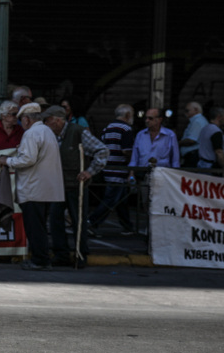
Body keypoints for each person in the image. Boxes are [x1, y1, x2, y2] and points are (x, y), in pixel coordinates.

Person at [0, 102, 63, 271]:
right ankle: (41, 258)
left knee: (35, 228)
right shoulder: (47, 131)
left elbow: (28, 160)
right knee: (40, 226)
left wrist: (7, 161)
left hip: (34, 189)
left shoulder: (31, 134)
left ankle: (40, 260)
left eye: (21, 119)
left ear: (26, 119)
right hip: (48, 189)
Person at [43, 106, 108, 266]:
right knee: (55, 219)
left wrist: (89, 172)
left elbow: (102, 150)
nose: (45, 124)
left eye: (47, 120)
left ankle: (81, 254)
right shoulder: (51, 135)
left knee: (78, 221)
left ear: (57, 120)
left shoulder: (78, 131)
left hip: (76, 185)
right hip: (58, 185)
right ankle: (61, 254)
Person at [87, 104, 137, 236]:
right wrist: (134, 160)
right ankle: (92, 222)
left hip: (108, 167)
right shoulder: (126, 129)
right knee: (111, 199)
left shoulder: (107, 128)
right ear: (127, 115)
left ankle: (127, 225)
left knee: (121, 198)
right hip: (119, 168)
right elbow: (126, 151)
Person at [127, 106, 180, 177]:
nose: (147, 120)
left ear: (159, 119)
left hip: (163, 175)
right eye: (146, 118)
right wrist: (131, 174)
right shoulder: (140, 135)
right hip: (142, 174)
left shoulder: (170, 135)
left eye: (150, 118)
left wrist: (175, 176)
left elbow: (175, 160)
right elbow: (134, 157)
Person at [196, 106, 224, 174]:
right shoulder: (216, 132)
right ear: (219, 117)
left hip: (201, 164)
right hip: (210, 167)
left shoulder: (205, 129)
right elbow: (219, 152)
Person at [178, 101, 207, 167]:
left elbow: (192, 140)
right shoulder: (198, 121)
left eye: (187, 111)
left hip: (193, 156)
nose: (185, 113)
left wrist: (178, 143)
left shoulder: (197, 121)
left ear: (196, 110)